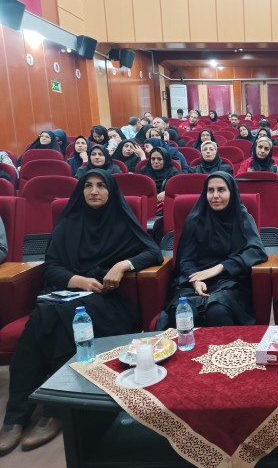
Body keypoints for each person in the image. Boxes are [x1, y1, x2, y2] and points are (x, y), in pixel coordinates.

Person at [0, 170, 162, 456]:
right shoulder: (68, 223)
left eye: (101, 186)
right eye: (88, 186)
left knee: (54, 318)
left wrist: (122, 265)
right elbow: (51, 267)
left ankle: (49, 410)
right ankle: (18, 415)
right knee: (45, 317)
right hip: (68, 294)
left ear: (111, 191)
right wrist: (78, 281)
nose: (94, 191)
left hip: (107, 302)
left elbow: (153, 252)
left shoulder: (121, 221)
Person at [165, 173, 267, 327]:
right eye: (210, 190)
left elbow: (257, 251)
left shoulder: (243, 218)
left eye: (221, 190)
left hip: (230, 282)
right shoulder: (195, 220)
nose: (215, 196)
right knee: (183, 312)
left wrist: (221, 267)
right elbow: (185, 260)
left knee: (217, 311)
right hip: (195, 281)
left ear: (231, 192)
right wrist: (195, 281)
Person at [140, 145, 180, 213]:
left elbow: (178, 189)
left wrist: (166, 192)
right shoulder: (144, 170)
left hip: (166, 206)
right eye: (153, 159)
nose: (155, 162)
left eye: (159, 159)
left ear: (165, 160)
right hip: (146, 205)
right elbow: (139, 189)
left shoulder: (173, 172)